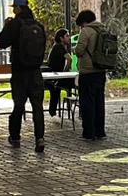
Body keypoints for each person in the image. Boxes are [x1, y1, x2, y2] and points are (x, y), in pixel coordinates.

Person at [0, 0, 48, 153]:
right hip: (36, 72)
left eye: (14, 7)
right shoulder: (38, 26)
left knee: (18, 106)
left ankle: (15, 137)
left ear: (19, 8)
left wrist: (6, 26)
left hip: (20, 73)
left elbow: (1, 43)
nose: (13, 10)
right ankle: (40, 138)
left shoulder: (15, 24)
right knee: (37, 107)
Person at [75, 9, 109, 141]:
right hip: (101, 70)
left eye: (81, 25)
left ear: (84, 22)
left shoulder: (86, 31)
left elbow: (79, 51)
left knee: (87, 103)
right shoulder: (103, 30)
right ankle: (100, 131)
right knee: (99, 102)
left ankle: (89, 132)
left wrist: (77, 49)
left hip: (88, 72)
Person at [47, 29, 73, 118]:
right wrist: (65, 72)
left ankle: (53, 110)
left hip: (53, 76)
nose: (69, 38)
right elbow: (69, 59)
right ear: (61, 38)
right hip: (54, 77)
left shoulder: (56, 46)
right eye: (67, 36)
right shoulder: (59, 47)